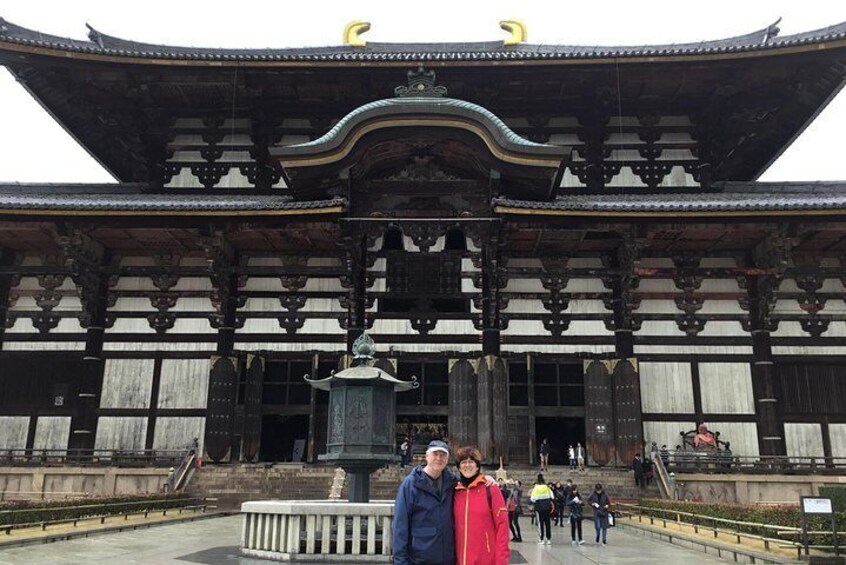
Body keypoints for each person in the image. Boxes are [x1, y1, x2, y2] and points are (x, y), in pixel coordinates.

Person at [393, 439, 497, 565]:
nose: (439, 458)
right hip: (420, 557)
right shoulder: (411, 484)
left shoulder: (452, 482)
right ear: (426, 456)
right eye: (435, 454)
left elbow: (470, 479)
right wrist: (400, 561)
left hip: (448, 556)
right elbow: (400, 524)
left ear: (447, 459)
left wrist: (484, 477)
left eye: (443, 455)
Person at [453, 446, 510, 565]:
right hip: (459, 559)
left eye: (471, 461)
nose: (467, 465)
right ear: (459, 467)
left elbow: (502, 526)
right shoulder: (454, 491)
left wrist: (501, 560)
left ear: (477, 466)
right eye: (463, 462)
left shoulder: (490, 488)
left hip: (485, 559)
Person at [529, 473, 554, 545]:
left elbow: (532, 499)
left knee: (540, 524)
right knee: (547, 523)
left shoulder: (536, 488)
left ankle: (541, 539)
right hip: (547, 507)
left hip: (539, 508)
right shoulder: (547, 487)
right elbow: (552, 496)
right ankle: (548, 539)